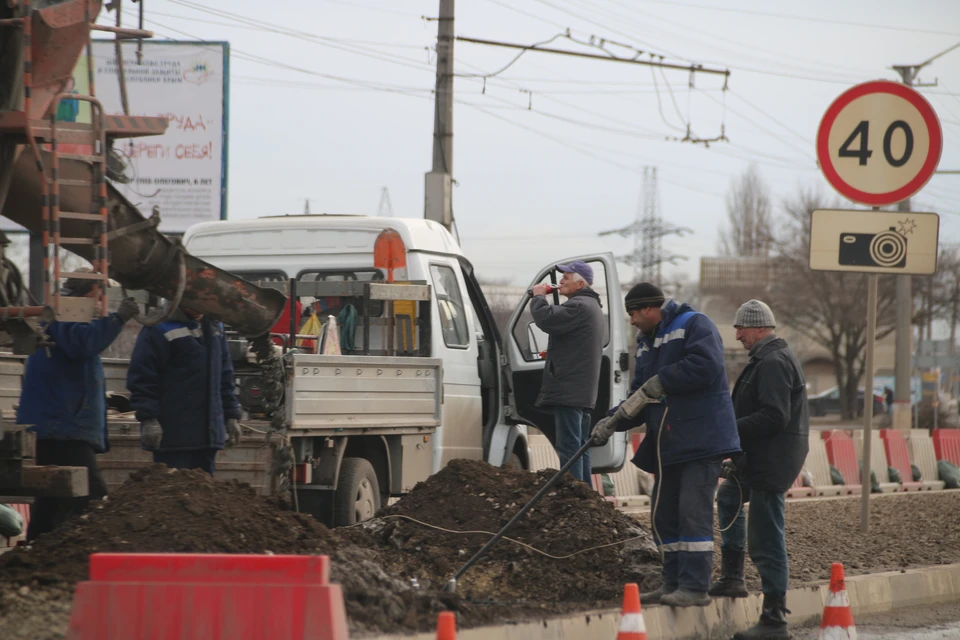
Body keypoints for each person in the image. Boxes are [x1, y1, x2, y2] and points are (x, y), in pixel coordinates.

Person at [591, 283, 740, 607]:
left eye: (632, 313)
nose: (630, 321)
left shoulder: (694, 324)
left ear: (647, 309)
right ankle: (672, 582)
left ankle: (695, 587)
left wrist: (663, 380)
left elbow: (706, 365)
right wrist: (612, 421)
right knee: (664, 514)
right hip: (670, 442)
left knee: (692, 512)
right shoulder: (646, 342)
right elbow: (641, 396)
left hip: (700, 441)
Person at [711, 300, 809, 640]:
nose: (736, 335)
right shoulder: (765, 359)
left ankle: (774, 620)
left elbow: (774, 416)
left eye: (741, 328)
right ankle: (733, 578)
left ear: (758, 328)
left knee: (766, 538)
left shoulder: (774, 361)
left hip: (771, 462)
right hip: (757, 457)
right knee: (728, 498)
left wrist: (730, 430)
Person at [18, 272, 140, 541]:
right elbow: (83, 345)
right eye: (99, 296)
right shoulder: (65, 315)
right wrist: (118, 318)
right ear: (89, 294)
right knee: (91, 495)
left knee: (53, 499)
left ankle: (35, 550)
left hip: (60, 425)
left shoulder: (65, 318)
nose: (100, 304)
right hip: (62, 427)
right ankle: (88, 553)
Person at [127, 304, 242, 474]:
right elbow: (143, 376)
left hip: (207, 438)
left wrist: (231, 415)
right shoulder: (159, 327)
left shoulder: (215, 326)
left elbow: (224, 375)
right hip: (174, 438)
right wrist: (149, 418)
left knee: (203, 497)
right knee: (172, 495)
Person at [529, 260, 604, 482]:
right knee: (580, 447)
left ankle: (574, 498)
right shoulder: (592, 307)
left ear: (580, 283)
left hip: (570, 390)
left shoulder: (578, 306)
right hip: (581, 391)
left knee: (569, 448)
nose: (560, 281)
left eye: (566, 278)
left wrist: (538, 297)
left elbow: (547, 319)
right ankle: (586, 497)